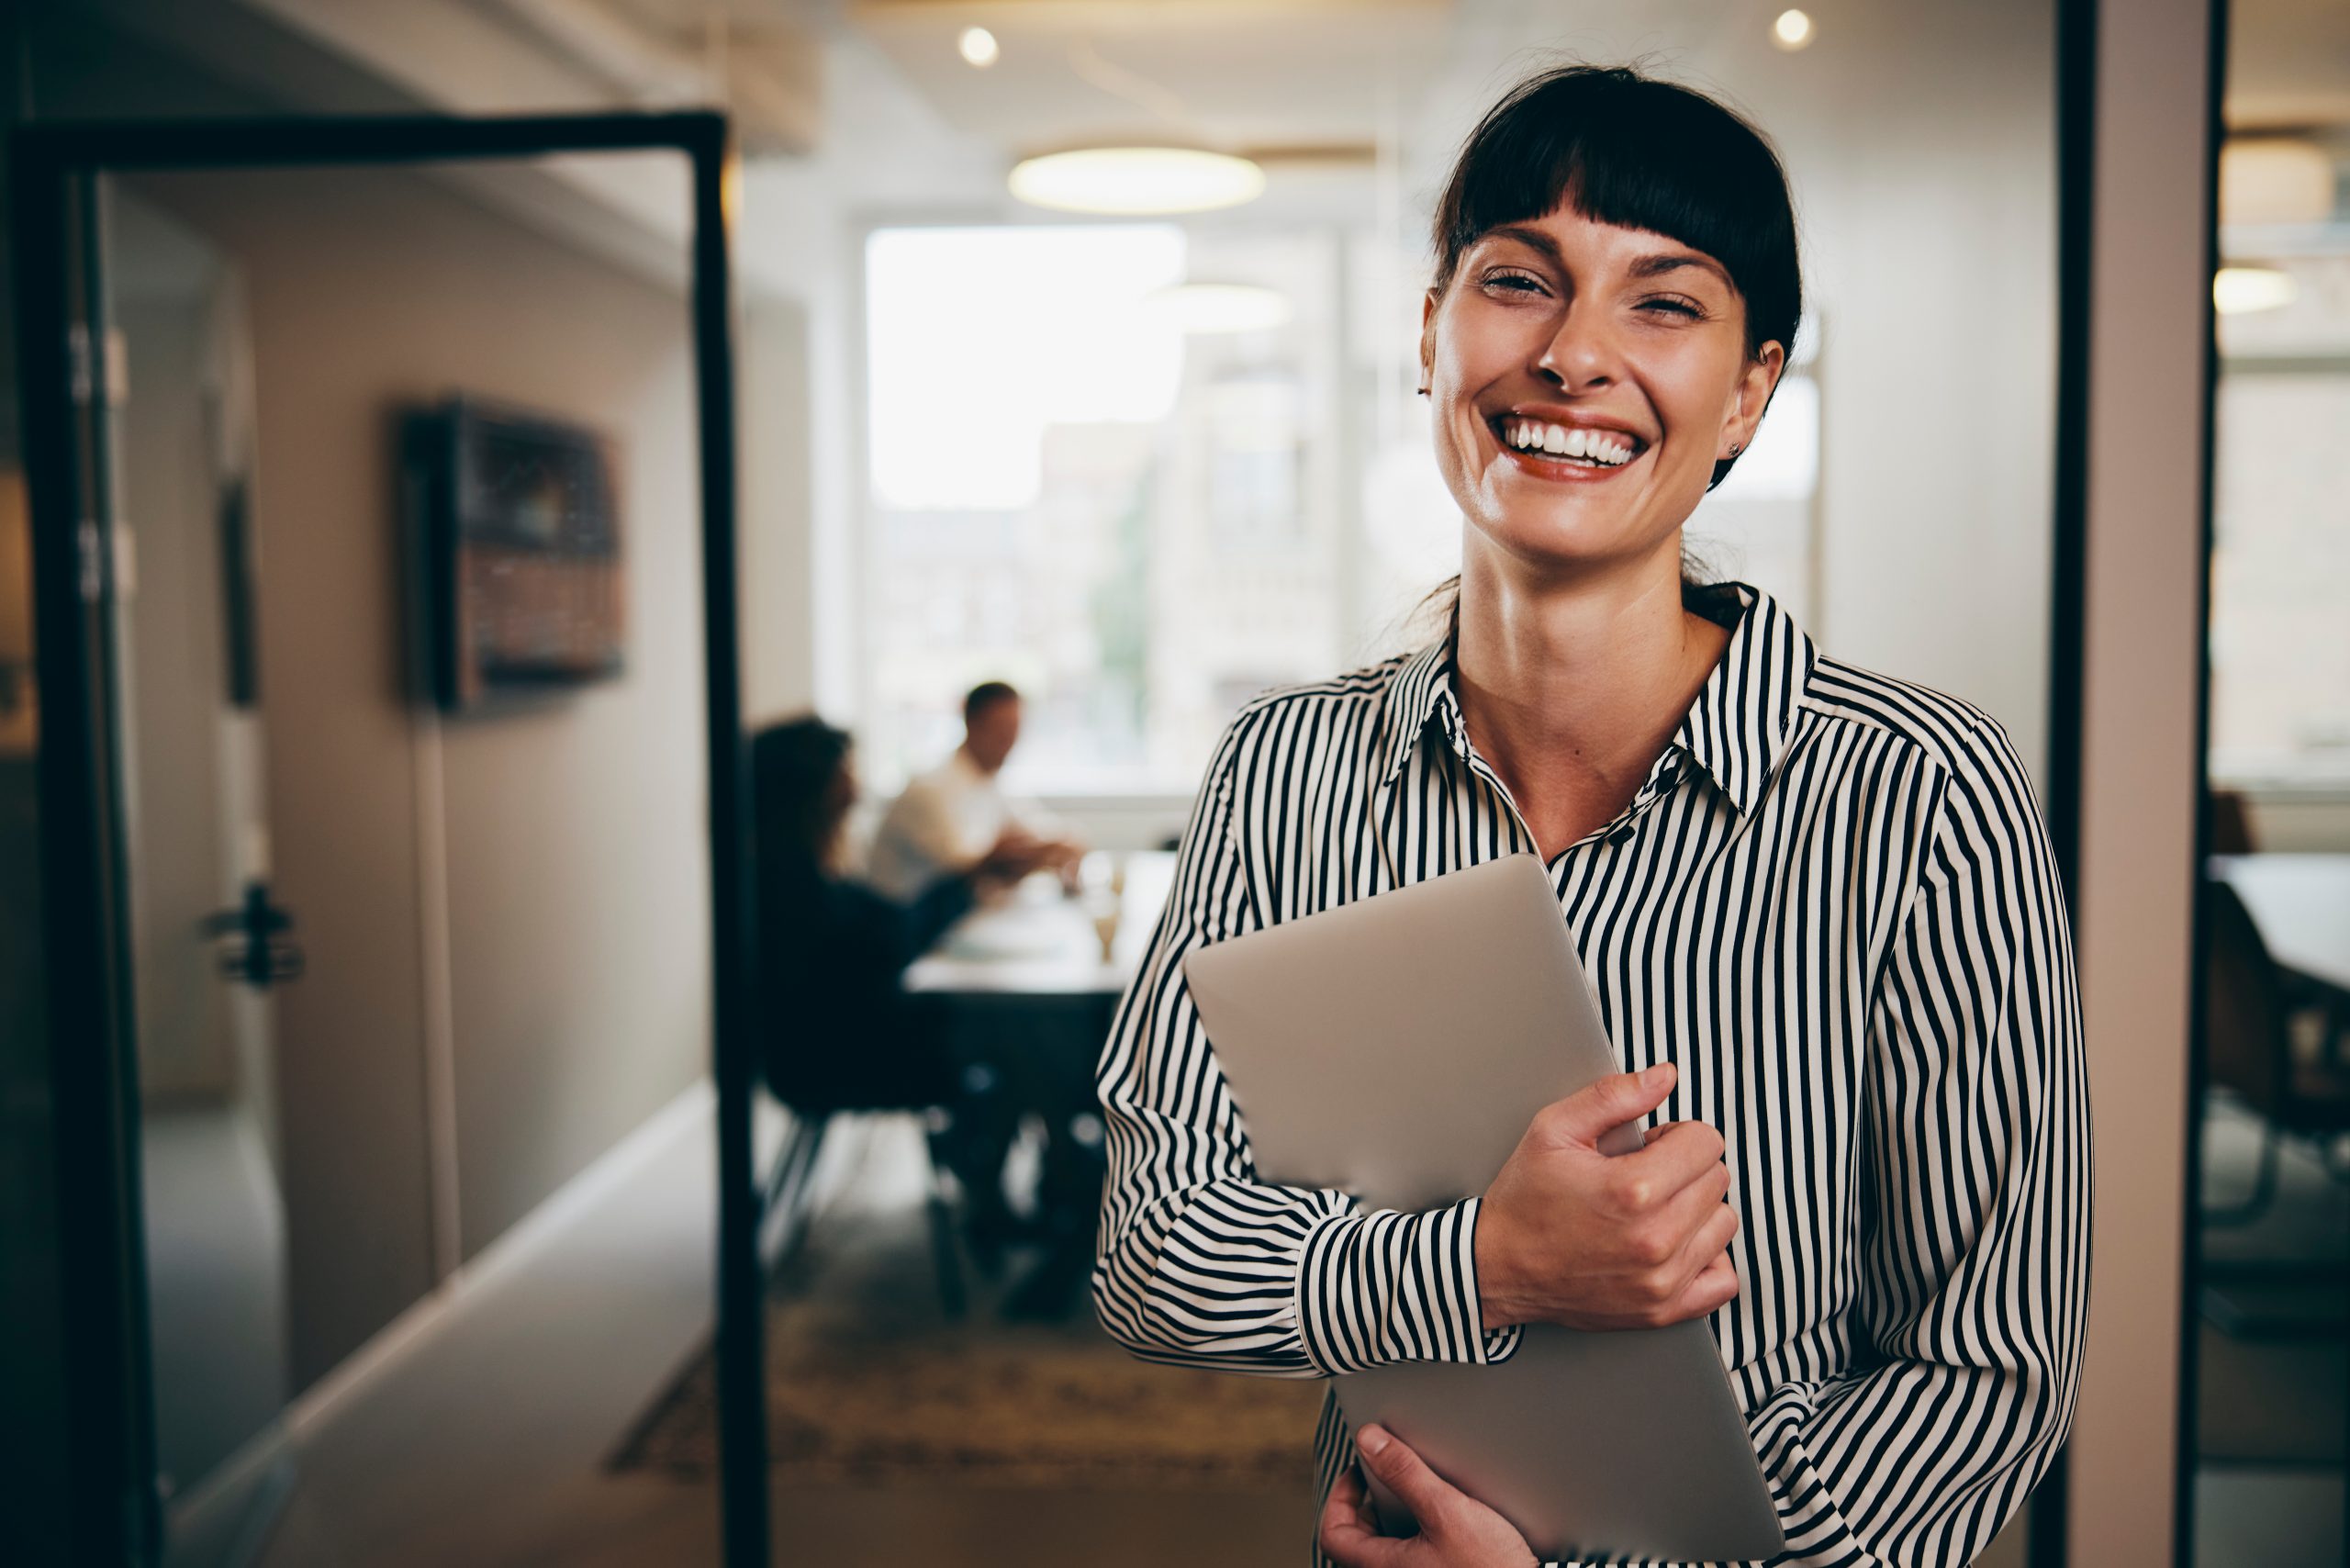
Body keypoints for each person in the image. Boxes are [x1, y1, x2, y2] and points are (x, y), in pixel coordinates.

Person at [1091, 64, 2088, 1568]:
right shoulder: (1281, 772)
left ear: (1750, 389)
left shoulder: (1923, 793)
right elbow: (1154, 1247)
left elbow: (1989, 1364)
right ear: (1430, 334)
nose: (1572, 355)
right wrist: (1486, 1261)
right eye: (1517, 281)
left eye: (1663, 304)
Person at [752, 715, 1055, 1223]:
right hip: (843, 1056)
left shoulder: (791, 869)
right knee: (1020, 1040)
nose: (856, 786)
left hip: (841, 1038)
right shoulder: (797, 886)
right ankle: (1011, 1185)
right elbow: (887, 941)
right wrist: (971, 879)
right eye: (845, 772)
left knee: (1016, 1037)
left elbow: (885, 931)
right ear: (814, 788)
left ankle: (1000, 1184)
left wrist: (971, 879)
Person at [865, 680, 1081, 902]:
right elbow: (967, 871)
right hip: (908, 926)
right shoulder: (930, 791)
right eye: (1002, 731)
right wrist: (1029, 855)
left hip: (951, 919)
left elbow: (1040, 828)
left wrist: (1060, 844)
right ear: (972, 724)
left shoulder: (990, 781)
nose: (1010, 742)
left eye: (1016, 730)